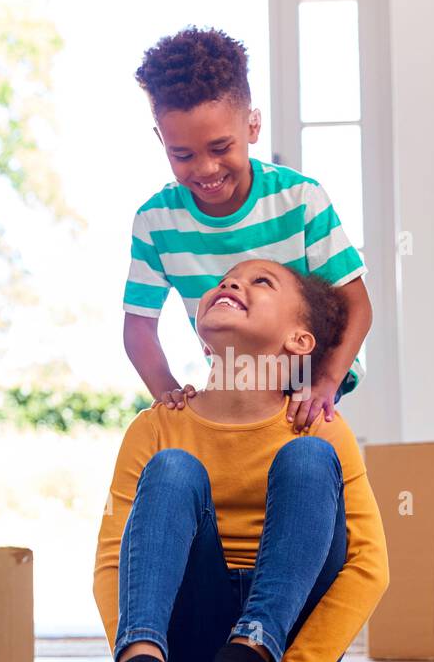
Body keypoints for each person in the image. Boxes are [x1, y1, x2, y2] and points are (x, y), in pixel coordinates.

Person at [93, 258, 389, 662]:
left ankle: (247, 656)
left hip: (278, 643)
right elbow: (115, 559)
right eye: (227, 279)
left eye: (261, 281)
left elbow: (368, 566)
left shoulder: (320, 429)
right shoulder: (157, 427)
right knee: (172, 468)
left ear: (299, 340)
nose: (231, 282)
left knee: (307, 460)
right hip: (190, 633)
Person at [123, 25, 373, 433]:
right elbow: (138, 326)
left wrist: (325, 383)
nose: (205, 169)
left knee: (297, 466)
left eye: (221, 148)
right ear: (161, 140)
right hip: (234, 381)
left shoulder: (300, 199)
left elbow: (358, 306)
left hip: (310, 378)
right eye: (182, 154)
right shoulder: (155, 222)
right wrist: (166, 393)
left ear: (252, 126)